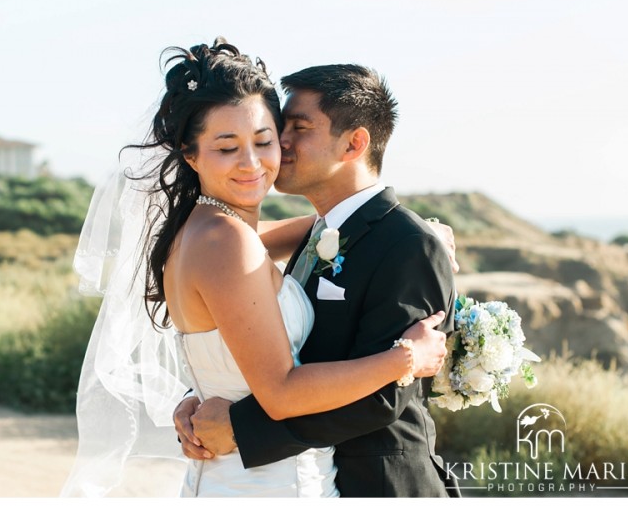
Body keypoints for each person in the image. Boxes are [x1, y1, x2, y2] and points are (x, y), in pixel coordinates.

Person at [61, 38, 453, 498]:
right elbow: (282, 389)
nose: (260, 159)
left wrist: (408, 229)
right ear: (191, 155)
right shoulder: (225, 241)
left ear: (354, 143)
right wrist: (405, 359)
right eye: (227, 148)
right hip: (270, 483)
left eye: (268, 138)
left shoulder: (215, 233)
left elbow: (323, 231)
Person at [174, 62, 461, 497]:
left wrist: (240, 427)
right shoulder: (297, 234)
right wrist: (205, 390)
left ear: (354, 143)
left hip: (379, 486)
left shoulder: (409, 246)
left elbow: (384, 398)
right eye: (280, 126)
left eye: (298, 128)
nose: (279, 142)